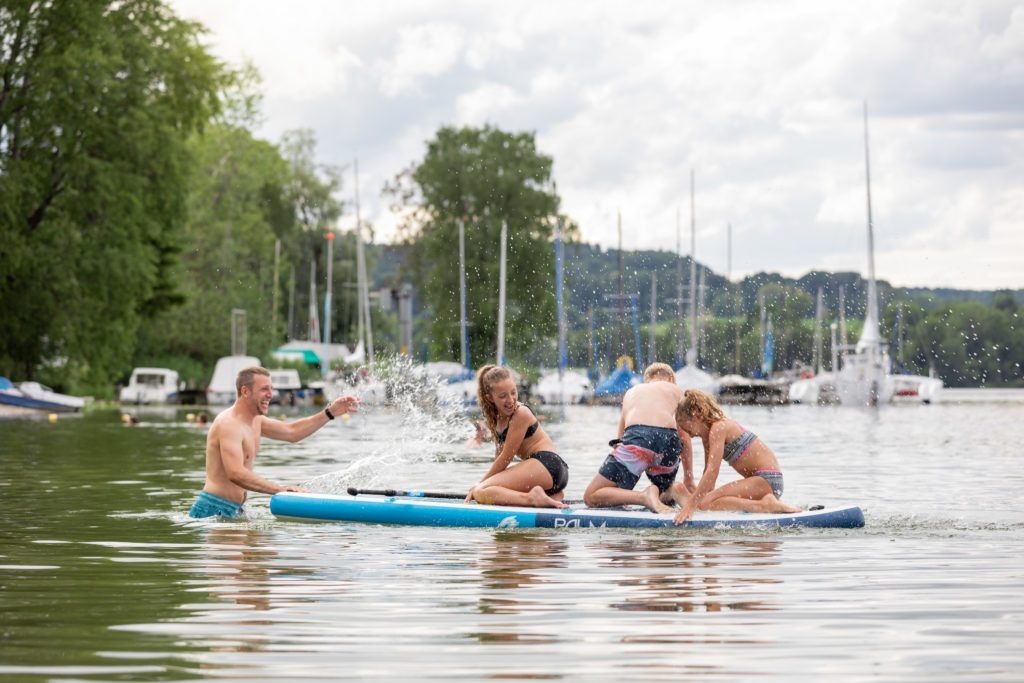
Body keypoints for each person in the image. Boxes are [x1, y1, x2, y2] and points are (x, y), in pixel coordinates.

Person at [188, 366, 359, 519]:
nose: (271, 394)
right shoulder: (228, 424)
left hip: (236, 510)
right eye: (264, 389)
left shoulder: (256, 421)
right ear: (245, 391)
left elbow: (292, 432)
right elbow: (235, 473)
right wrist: (280, 490)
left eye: (271, 388)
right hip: (213, 509)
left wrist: (330, 412)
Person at [672, 388, 801, 524]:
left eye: (685, 426)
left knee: (705, 503)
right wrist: (700, 503)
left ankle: (766, 506)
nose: (686, 433)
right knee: (706, 502)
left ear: (696, 415)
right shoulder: (708, 437)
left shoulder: (718, 428)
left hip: (767, 480)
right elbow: (708, 479)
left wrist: (690, 506)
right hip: (759, 483)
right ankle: (765, 502)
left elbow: (712, 472)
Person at [583, 362, 692, 513]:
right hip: (669, 441)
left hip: (638, 437)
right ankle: (672, 489)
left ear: (647, 380)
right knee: (663, 492)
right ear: (671, 379)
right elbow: (684, 437)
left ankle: (643, 496)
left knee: (593, 495)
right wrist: (689, 478)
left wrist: (622, 482)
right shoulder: (676, 390)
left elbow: (620, 439)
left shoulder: (633, 392)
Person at [467, 365, 568, 508]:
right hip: (546, 474)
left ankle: (532, 498)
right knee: (486, 489)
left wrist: (480, 485)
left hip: (548, 465)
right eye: (502, 396)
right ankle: (549, 495)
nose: (510, 400)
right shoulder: (497, 418)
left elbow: (506, 457)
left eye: (513, 392)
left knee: (481, 492)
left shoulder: (521, 413)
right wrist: (494, 486)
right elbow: (500, 458)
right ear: (490, 398)